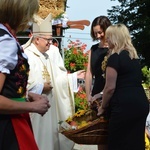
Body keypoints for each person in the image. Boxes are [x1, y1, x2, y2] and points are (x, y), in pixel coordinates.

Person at [0, 0, 50, 150]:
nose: (29, 21)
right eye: (29, 14)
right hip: (7, 125)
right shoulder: (6, 42)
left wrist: (25, 95)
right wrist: (32, 106)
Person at [97, 23, 149, 150]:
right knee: (135, 142)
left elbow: (110, 87)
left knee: (118, 143)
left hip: (123, 107)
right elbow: (126, 81)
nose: (106, 40)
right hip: (140, 103)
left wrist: (102, 107)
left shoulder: (115, 58)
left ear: (115, 38)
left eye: (109, 37)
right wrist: (99, 94)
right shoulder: (134, 57)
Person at [85, 16, 111, 150]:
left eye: (101, 32)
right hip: (96, 95)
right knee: (99, 135)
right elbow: (89, 73)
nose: (99, 36)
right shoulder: (93, 49)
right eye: (96, 33)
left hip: (110, 93)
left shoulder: (114, 49)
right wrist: (88, 94)